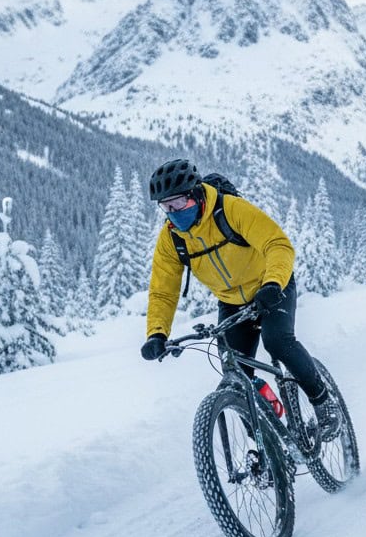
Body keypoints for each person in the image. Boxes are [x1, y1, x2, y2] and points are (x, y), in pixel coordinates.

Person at [140, 158, 336, 426]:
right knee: (236, 378)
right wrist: (157, 333)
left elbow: (277, 244)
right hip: (232, 302)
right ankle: (265, 452)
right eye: (166, 206)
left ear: (196, 194)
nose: (174, 212)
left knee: (278, 341)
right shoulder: (172, 238)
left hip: (271, 286)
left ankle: (324, 402)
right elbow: (163, 290)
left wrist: (273, 283)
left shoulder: (230, 210)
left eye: (180, 203)